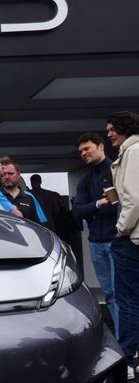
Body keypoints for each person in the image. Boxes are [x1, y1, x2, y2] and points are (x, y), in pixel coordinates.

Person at [72, 133, 119, 335]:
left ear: (101, 147)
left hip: (117, 241)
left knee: (123, 293)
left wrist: (91, 210)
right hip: (96, 243)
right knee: (109, 294)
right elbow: (77, 212)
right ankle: (122, 338)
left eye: (87, 149)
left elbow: (117, 208)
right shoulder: (86, 180)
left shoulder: (116, 171)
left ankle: (130, 340)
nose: (83, 153)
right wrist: (98, 204)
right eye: (81, 151)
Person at [106, 111, 139, 380]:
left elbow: (134, 198)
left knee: (127, 299)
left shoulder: (134, 151)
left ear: (123, 128)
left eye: (111, 130)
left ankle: (128, 359)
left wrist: (121, 230)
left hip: (131, 238)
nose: (108, 135)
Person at [0, 158, 46, 224]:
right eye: (3, 174)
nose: (7, 177)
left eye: (10, 173)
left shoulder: (30, 197)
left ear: (18, 175)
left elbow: (40, 225)